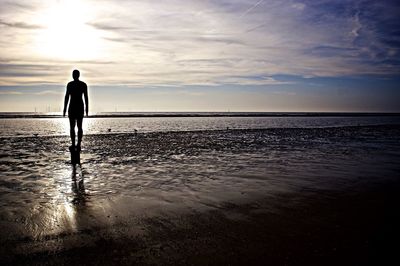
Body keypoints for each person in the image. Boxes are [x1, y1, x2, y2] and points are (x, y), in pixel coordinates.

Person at [63, 69, 89, 151]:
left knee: (76, 127)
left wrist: (87, 108)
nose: (73, 76)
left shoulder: (75, 84)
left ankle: (76, 144)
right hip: (76, 107)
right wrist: (64, 108)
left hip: (75, 107)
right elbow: (67, 96)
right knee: (75, 127)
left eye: (74, 74)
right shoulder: (79, 84)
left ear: (76, 75)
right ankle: (76, 144)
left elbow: (86, 97)